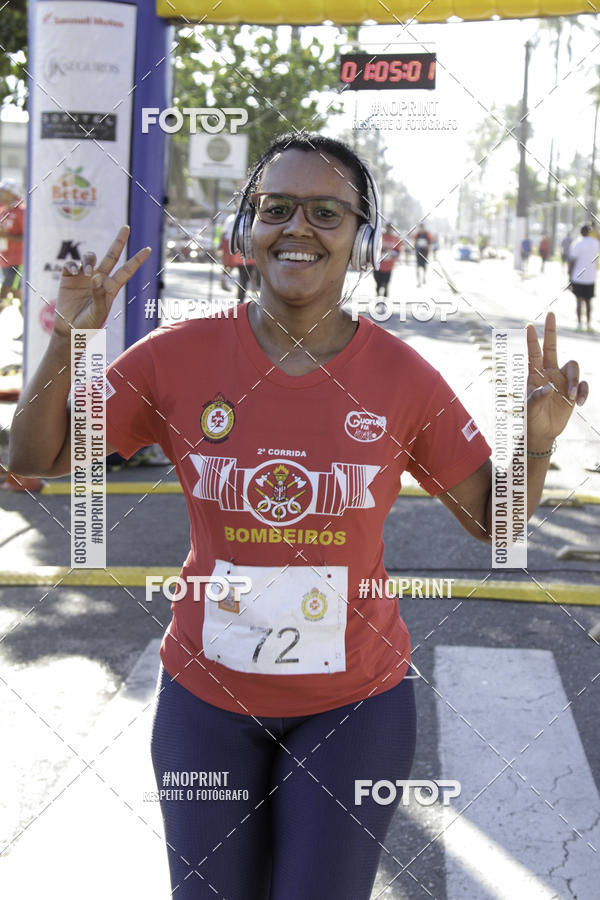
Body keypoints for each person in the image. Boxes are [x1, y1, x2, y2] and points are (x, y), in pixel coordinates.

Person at [8, 133, 589, 900]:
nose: (299, 228)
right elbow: (38, 455)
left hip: (354, 708)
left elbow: (496, 523)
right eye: (276, 207)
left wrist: (535, 443)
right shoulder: (177, 356)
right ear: (247, 228)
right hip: (205, 703)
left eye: (326, 212)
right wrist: (67, 341)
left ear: (361, 238)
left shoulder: (403, 378)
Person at [568, 223, 600, 332]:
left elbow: (572, 261)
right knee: (588, 302)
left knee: (579, 301)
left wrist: (569, 276)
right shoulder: (595, 242)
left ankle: (579, 324)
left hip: (578, 276)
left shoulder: (578, 242)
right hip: (590, 277)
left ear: (581, 232)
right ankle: (589, 324)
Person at [0, 178, 25, 307]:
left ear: (11, 193)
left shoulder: (21, 211)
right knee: (16, 294)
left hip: (17, 261)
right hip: (5, 260)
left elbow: (27, 237)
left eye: (3, 191)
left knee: (6, 292)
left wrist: (6, 235)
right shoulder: (3, 210)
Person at [373, 223, 402, 297]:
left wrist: (391, 254)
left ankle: (385, 298)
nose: (389, 229)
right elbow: (374, 247)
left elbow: (398, 251)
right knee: (378, 283)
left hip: (389, 266)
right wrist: (381, 252)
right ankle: (378, 295)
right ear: (386, 227)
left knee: (386, 283)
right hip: (378, 265)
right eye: (388, 227)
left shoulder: (396, 239)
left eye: (391, 227)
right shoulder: (380, 236)